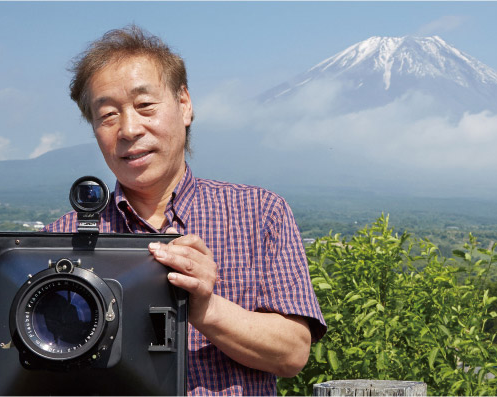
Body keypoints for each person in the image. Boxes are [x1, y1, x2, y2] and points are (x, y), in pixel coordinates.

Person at [45, 24, 326, 396]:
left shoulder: (260, 213)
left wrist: (205, 308)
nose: (129, 129)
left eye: (145, 105)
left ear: (184, 104)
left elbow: (292, 353)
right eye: (108, 115)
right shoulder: (61, 241)